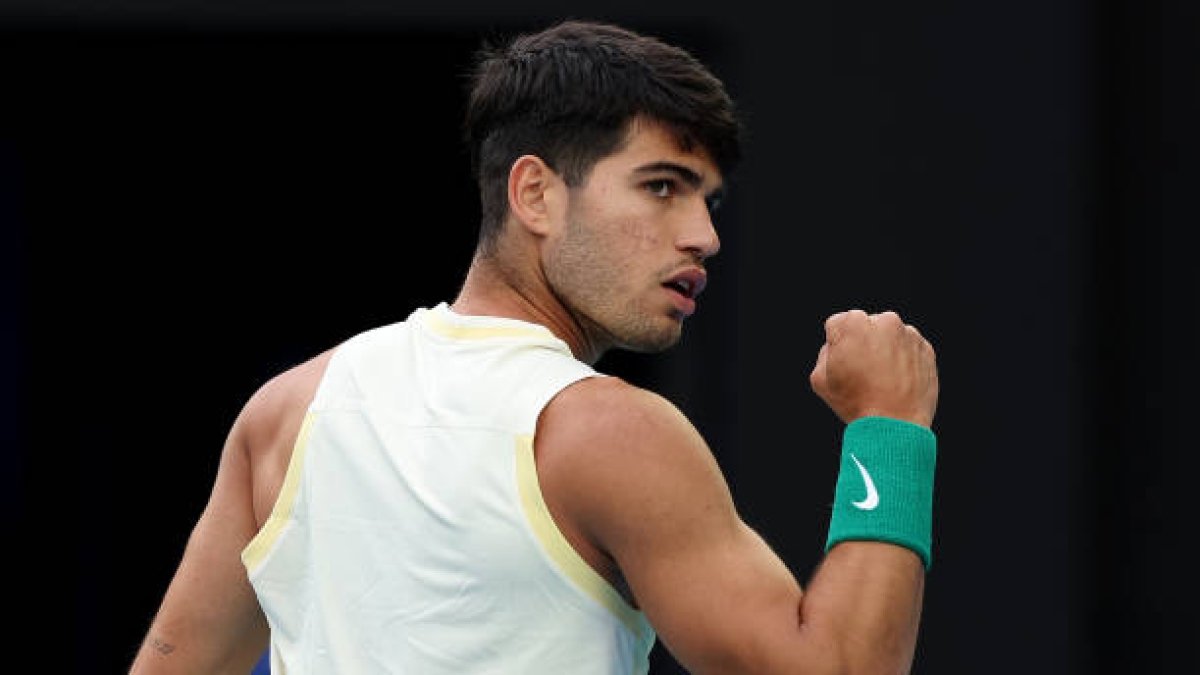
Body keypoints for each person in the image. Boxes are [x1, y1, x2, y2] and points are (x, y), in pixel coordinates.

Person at [130, 19, 939, 675]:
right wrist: (891, 427)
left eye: (707, 200)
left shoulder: (285, 412)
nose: (703, 236)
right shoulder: (610, 433)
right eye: (661, 187)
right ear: (535, 193)